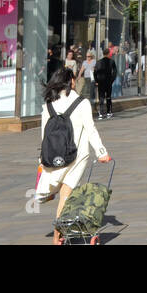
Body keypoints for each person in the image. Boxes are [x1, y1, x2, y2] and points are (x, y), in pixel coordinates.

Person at [36, 66, 110, 244]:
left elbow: (44, 133)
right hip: (76, 157)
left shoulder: (48, 104)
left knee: (55, 193)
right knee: (66, 195)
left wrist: (42, 158)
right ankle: (57, 235)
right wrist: (102, 153)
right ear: (70, 82)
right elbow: (91, 130)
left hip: (52, 155)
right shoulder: (81, 103)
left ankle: (59, 231)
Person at [93, 50, 116, 120]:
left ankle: (101, 113)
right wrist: (112, 80)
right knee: (108, 97)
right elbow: (115, 72)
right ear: (109, 54)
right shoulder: (112, 61)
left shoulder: (98, 62)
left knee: (101, 97)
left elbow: (95, 72)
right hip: (108, 81)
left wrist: (97, 81)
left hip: (101, 82)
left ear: (103, 54)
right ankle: (108, 112)